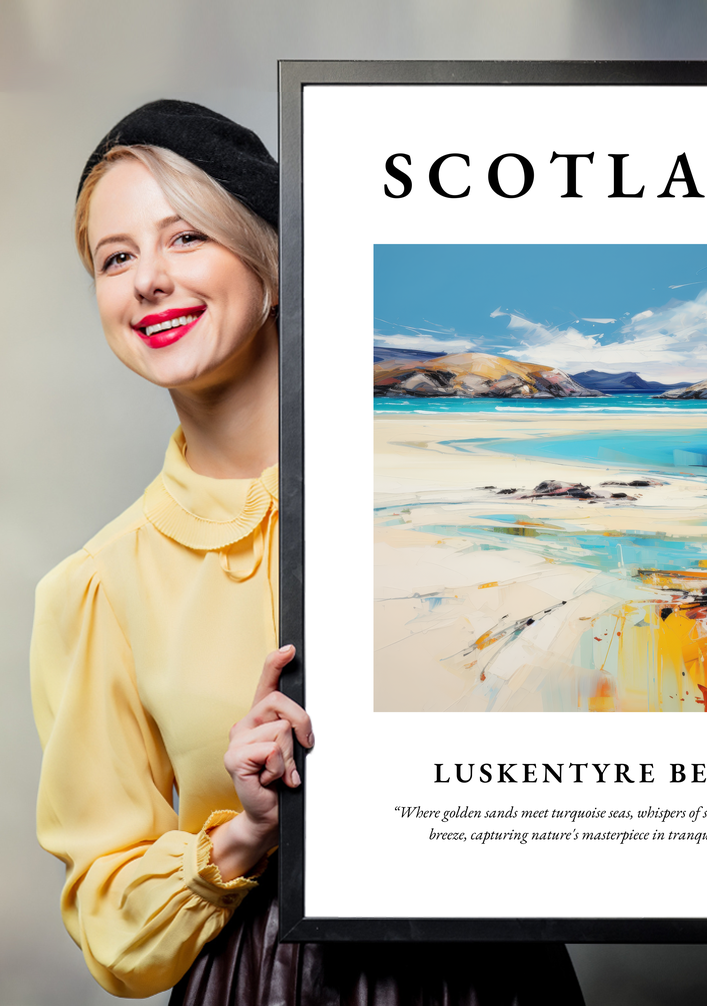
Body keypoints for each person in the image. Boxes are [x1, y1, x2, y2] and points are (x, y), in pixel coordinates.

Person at [30, 100, 586, 1004]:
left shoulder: (451, 495)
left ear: (273, 263)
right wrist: (245, 832)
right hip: (262, 982)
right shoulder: (97, 587)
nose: (148, 281)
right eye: (116, 257)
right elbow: (110, 924)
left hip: (493, 973)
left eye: (185, 239)